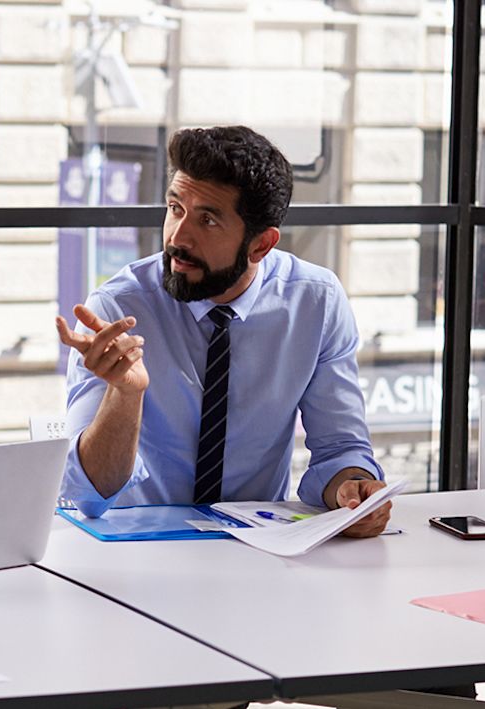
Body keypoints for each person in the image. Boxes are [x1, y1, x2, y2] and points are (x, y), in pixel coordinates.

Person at [55, 125, 389, 537]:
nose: (178, 237)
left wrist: (352, 492)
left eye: (207, 220)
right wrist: (126, 394)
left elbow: (340, 450)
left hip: (258, 549)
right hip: (134, 551)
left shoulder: (315, 303)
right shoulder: (118, 308)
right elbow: (88, 494)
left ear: (261, 245)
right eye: (175, 208)